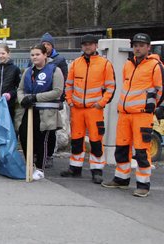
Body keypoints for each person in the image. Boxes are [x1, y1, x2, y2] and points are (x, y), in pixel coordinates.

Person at [106, 33, 162, 197]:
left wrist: (150, 107)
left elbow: (160, 90)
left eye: (141, 45)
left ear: (148, 47)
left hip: (142, 115)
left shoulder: (155, 65)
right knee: (121, 148)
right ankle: (121, 179)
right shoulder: (128, 65)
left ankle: (143, 185)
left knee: (142, 150)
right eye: (135, 45)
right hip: (124, 114)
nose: (137, 48)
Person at [61, 34, 115, 184]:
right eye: (85, 44)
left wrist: (101, 103)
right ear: (82, 46)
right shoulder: (76, 63)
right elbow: (69, 85)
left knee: (96, 140)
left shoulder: (105, 64)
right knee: (76, 139)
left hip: (94, 110)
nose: (87, 47)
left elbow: (111, 87)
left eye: (90, 44)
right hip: (77, 109)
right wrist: (70, 101)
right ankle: (75, 168)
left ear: (96, 46)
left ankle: (97, 171)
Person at [16, 44, 64, 181]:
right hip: (29, 110)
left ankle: (40, 168)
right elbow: (20, 89)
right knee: (24, 136)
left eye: (37, 54)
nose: (34, 57)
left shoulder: (55, 70)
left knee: (41, 140)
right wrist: (23, 99)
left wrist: (35, 97)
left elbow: (57, 91)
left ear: (45, 55)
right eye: (32, 55)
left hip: (46, 113)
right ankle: (29, 164)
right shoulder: (28, 71)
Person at [38, 32, 69, 168]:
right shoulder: (36, 58)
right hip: (38, 100)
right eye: (44, 44)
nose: (46, 46)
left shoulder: (59, 60)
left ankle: (49, 155)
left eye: (48, 44)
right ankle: (38, 154)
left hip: (52, 101)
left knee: (50, 130)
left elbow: (63, 81)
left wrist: (60, 100)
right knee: (39, 129)